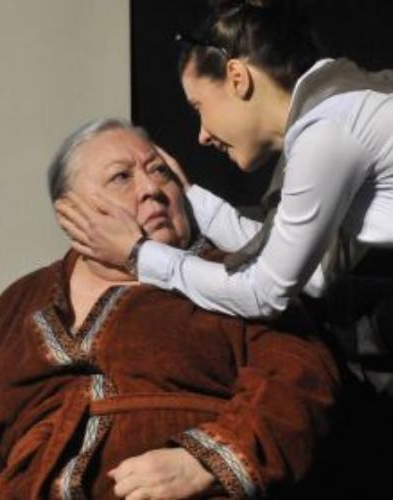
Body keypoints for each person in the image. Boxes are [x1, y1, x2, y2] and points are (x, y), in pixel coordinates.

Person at [0, 119, 339, 500]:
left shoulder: (238, 281)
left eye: (160, 172)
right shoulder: (21, 301)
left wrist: (203, 463)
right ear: (69, 212)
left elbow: (299, 382)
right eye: (122, 177)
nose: (151, 188)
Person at [56, 0, 393, 394]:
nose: (201, 135)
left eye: (198, 106)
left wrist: (139, 255)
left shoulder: (328, 132)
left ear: (237, 77)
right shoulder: (341, 105)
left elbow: (265, 292)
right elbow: (315, 274)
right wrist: (190, 200)